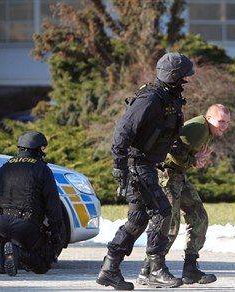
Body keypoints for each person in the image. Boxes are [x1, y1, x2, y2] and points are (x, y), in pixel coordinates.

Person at [96, 52, 195, 290]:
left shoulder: (169, 100)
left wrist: (189, 157)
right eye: (183, 77)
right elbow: (123, 132)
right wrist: (119, 166)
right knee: (162, 212)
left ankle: (110, 269)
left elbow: (169, 137)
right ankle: (156, 271)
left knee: (138, 219)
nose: (186, 81)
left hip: (145, 165)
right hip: (136, 165)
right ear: (173, 76)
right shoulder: (151, 99)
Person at [136, 104, 231, 286]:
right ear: (209, 118)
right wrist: (193, 161)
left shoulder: (205, 129)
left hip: (178, 175)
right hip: (167, 176)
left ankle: (191, 270)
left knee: (198, 216)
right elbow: (173, 147)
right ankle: (148, 270)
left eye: (227, 122)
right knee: (169, 224)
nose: (224, 126)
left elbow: (181, 150)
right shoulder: (199, 128)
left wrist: (192, 160)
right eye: (221, 121)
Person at [0, 131, 63, 276]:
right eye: (42, 148)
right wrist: (56, 233)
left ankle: (1, 261)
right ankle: (20, 253)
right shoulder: (42, 169)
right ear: (36, 148)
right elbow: (53, 204)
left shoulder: (3, 168)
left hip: (1, 225)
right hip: (26, 226)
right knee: (43, 265)